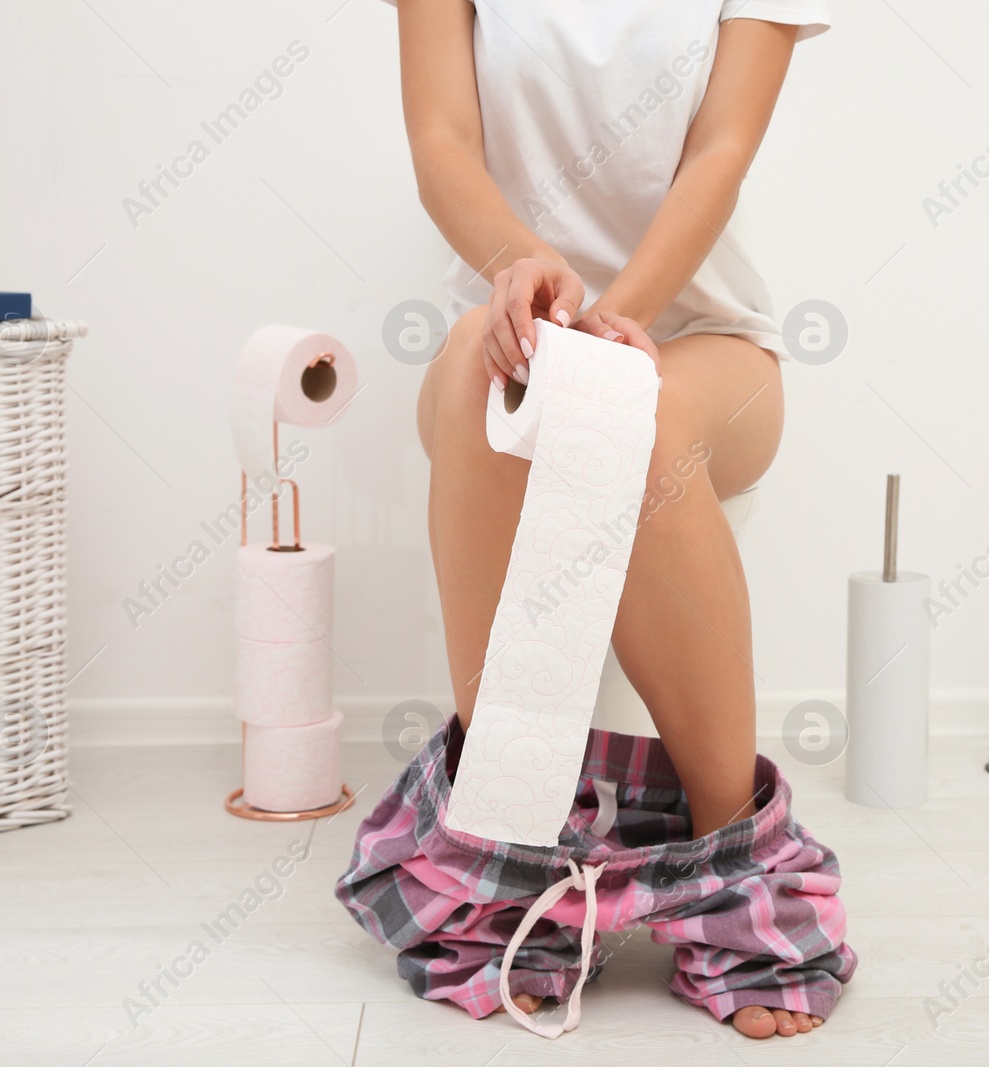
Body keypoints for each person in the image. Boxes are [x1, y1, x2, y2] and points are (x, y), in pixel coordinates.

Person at [351, 0, 854, 1040]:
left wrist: (620, 315)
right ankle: (506, 844)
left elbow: (721, 146)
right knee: (483, 389)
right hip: (510, 321)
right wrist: (520, 271)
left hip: (702, 336)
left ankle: (733, 865)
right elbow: (440, 141)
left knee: (635, 421)